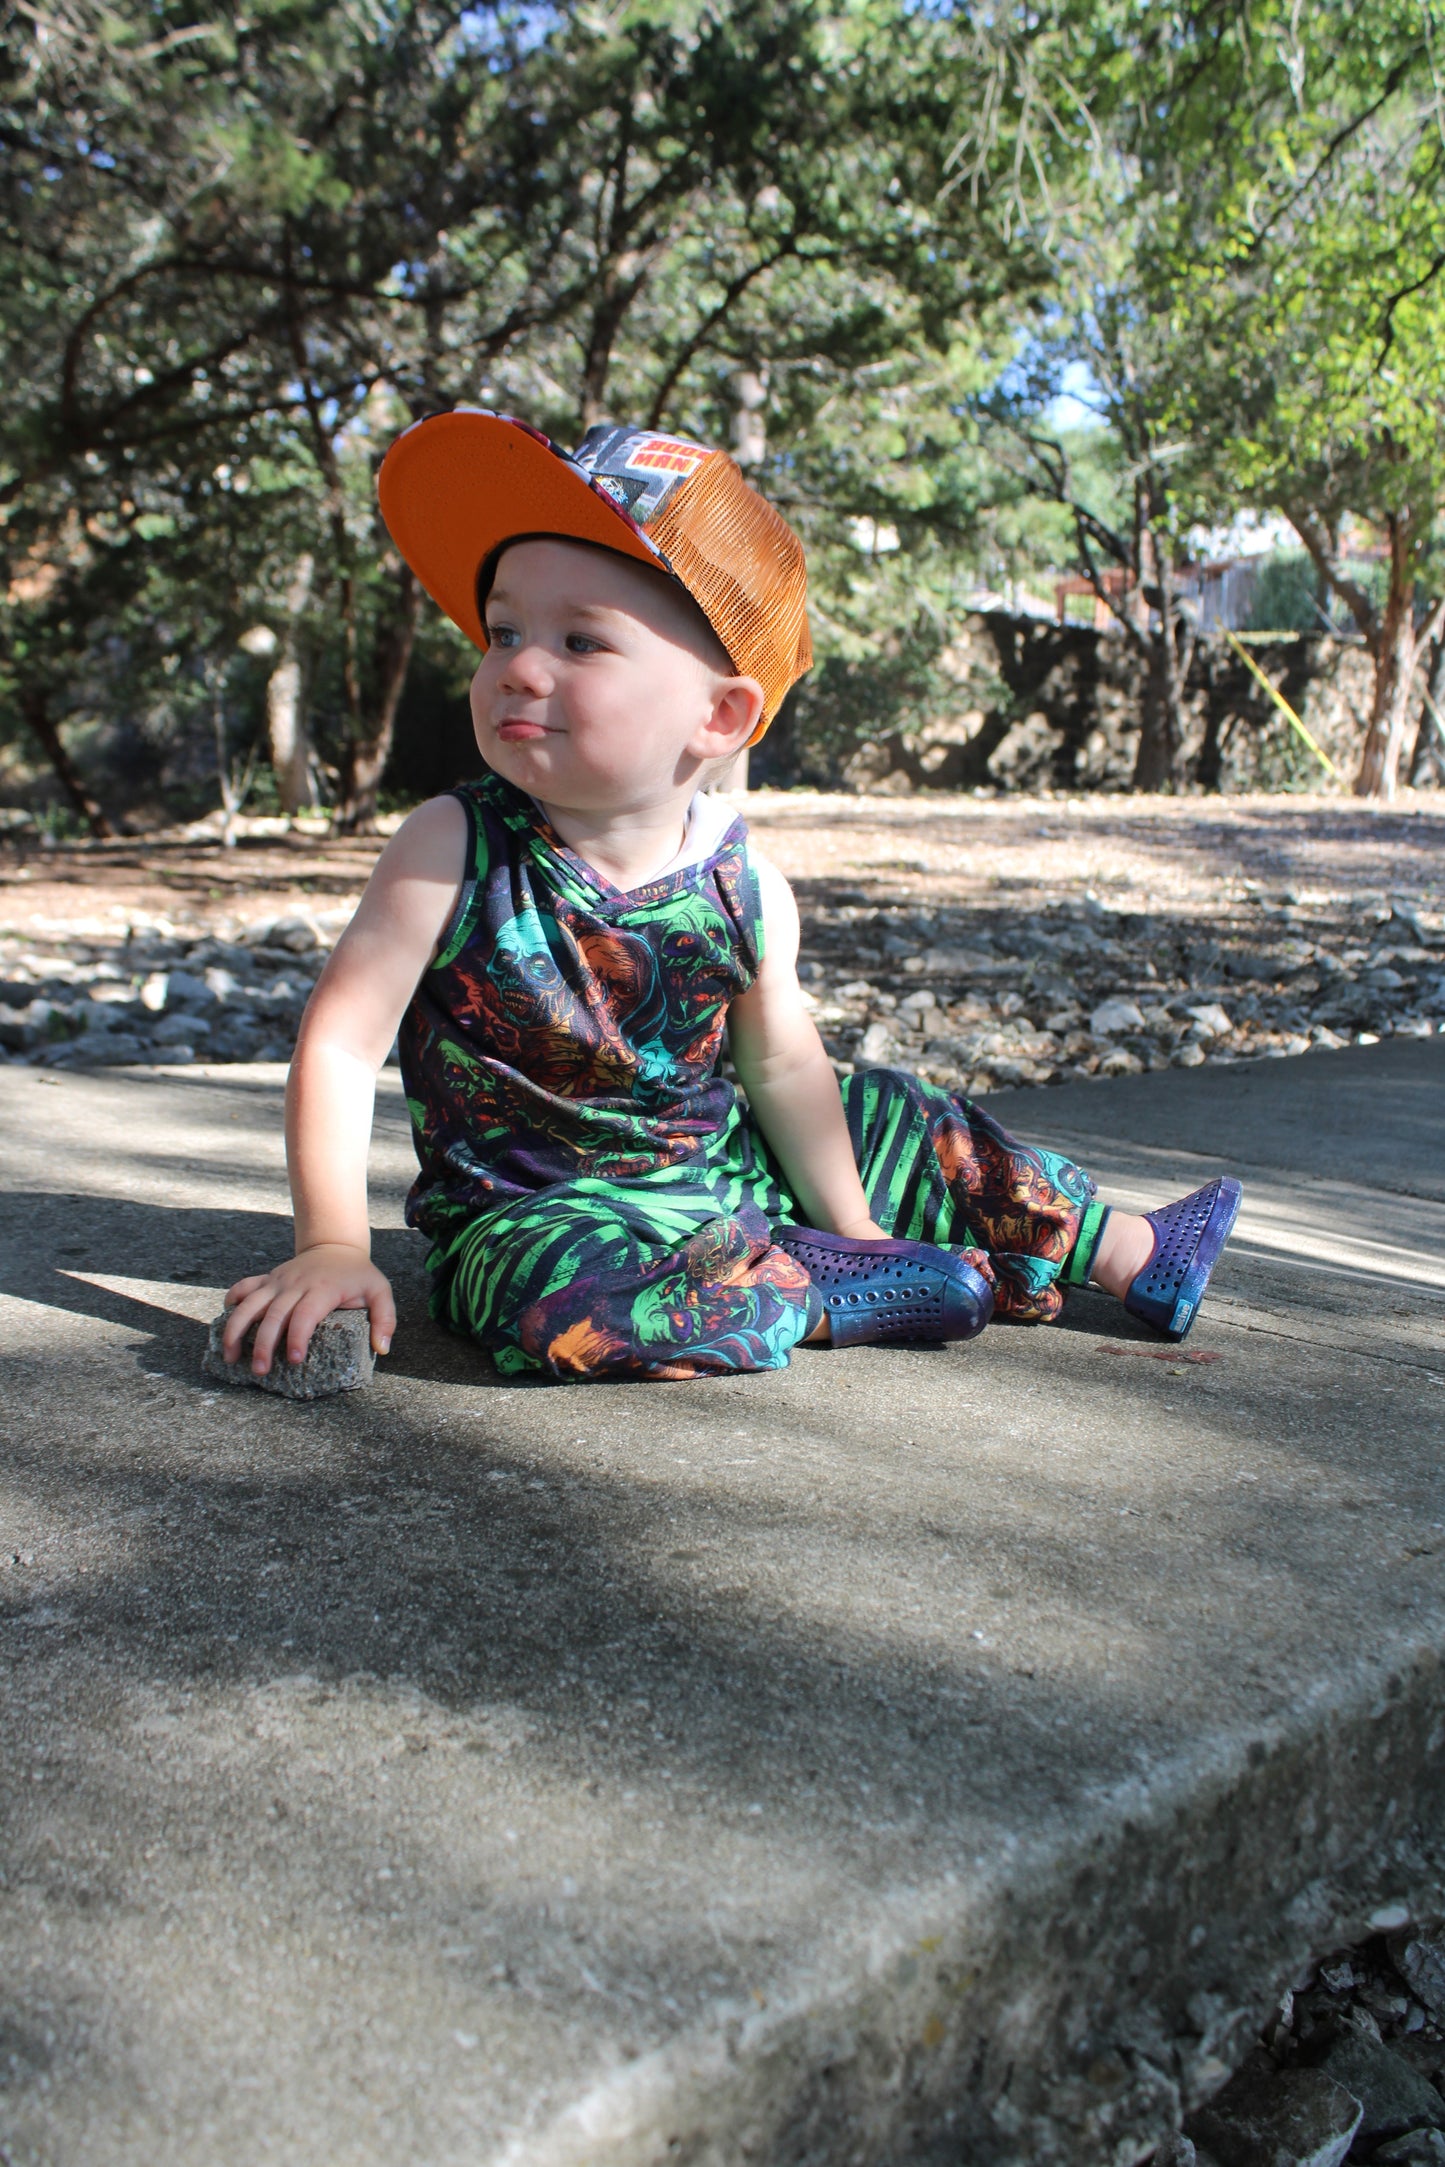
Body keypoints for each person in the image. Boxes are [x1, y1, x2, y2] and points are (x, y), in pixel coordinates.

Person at [221, 412, 1241, 1384]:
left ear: (719, 713)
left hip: (727, 1180)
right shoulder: (451, 845)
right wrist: (330, 1244)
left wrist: (855, 1223)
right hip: (538, 1210)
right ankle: (810, 1295)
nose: (516, 667)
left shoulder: (742, 883)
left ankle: (1124, 1249)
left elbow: (784, 1065)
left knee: (894, 1117)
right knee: (559, 1306)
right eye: (500, 632)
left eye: (578, 643)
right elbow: (343, 1044)